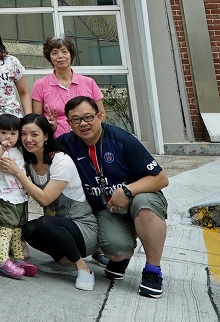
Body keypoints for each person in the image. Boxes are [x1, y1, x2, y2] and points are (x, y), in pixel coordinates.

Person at [58, 96, 169, 298]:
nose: (83, 124)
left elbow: (161, 179)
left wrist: (127, 191)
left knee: (144, 204)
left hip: (139, 199)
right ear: (69, 123)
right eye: (76, 120)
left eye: (88, 117)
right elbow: (37, 149)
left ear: (100, 116)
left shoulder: (123, 140)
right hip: (109, 209)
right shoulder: (67, 143)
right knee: (116, 251)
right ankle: (120, 260)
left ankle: (153, 271)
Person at [0, 113, 97, 292]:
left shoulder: (61, 161)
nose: (28, 139)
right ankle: (64, 260)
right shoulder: (28, 160)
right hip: (57, 226)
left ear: (46, 135)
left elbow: (44, 199)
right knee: (29, 229)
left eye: (34, 134)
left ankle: (84, 268)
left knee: (44, 223)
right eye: (24, 134)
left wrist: (18, 173)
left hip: (83, 228)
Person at [0, 113, 33, 279]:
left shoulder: (19, 150)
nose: (8, 137)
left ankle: (18, 258)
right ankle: (3, 261)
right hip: (4, 197)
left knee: (18, 230)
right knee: (6, 230)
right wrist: (2, 149)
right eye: (4, 132)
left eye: (13, 133)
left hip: (20, 198)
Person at [31, 36, 105, 138]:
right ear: (50, 58)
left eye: (64, 52)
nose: (60, 56)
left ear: (71, 55)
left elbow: (101, 114)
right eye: (54, 53)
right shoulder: (40, 84)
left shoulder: (89, 82)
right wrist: (47, 125)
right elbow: (36, 120)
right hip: (56, 142)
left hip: (86, 141)